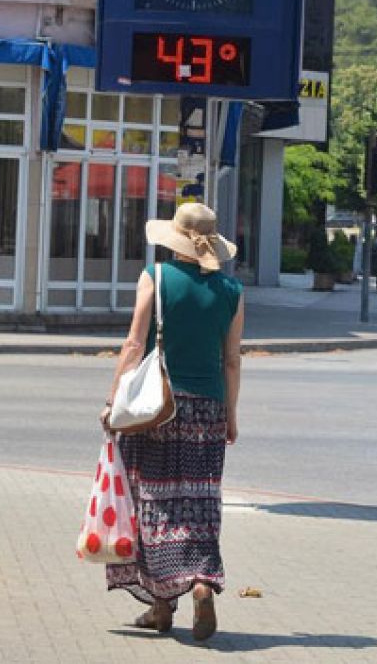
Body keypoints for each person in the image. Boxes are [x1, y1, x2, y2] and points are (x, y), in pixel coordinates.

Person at [100, 203, 244, 640]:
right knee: (198, 506)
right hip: (208, 411)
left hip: (156, 408)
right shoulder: (232, 290)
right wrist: (231, 415)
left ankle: (162, 602)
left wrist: (113, 401)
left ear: (174, 240)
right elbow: (232, 360)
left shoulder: (155, 277)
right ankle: (198, 584)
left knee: (153, 503)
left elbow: (133, 343)